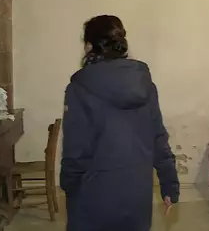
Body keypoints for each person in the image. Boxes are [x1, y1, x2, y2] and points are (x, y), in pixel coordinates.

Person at [61, 15, 179, 231]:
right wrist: (169, 184)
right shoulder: (145, 83)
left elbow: (76, 147)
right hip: (137, 193)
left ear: (89, 46)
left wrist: (68, 184)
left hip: (93, 193)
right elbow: (158, 138)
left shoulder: (79, 88)